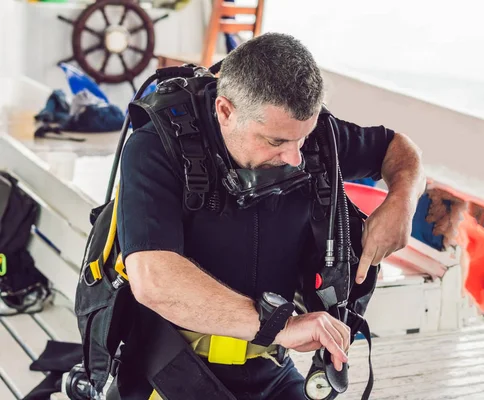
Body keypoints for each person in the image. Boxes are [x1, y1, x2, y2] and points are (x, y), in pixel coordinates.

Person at [113, 32, 425, 399]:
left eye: (302, 139)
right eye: (275, 142)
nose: (295, 157)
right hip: (171, 369)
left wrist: (402, 201)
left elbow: (398, 148)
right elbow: (155, 280)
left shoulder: (314, 137)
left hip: (270, 368)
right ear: (225, 111)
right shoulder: (155, 148)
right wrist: (281, 325)